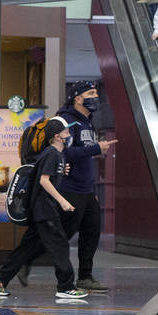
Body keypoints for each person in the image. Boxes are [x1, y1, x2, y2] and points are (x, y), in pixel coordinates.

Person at [0, 117, 92, 301]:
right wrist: (62, 201)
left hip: (41, 209)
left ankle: (0, 278)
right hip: (44, 209)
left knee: (28, 247)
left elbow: (46, 174)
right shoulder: (52, 153)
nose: (69, 135)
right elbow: (43, 180)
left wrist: (61, 171)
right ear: (57, 136)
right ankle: (65, 286)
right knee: (59, 245)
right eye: (66, 131)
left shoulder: (54, 155)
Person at [58, 81, 116, 292]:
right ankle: (21, 264)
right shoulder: (66, 121)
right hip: (69, 187)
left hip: (86, 189)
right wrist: (96, 149)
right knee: (61, 234)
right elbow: (66, 153)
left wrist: (92, 189)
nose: (96, 97)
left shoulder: (88, 122)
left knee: (92, 230)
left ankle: (85, 276)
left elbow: (86, 157)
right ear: (78, 98)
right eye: (91, 93)